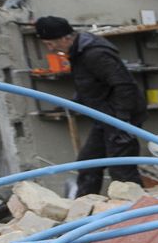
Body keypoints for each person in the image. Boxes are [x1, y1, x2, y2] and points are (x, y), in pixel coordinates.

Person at [35, 16, 146, 196]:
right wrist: (75, 103)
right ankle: (84, 212)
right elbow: (89, 84)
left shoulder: (95, 53)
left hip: (122, 117)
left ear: (65, 38)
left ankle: (140, 214)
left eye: (50, 43)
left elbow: (124, 85)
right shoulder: (77, 52)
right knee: (88, 164)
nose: (50, 49)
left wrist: (123, 121)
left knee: (121, 172)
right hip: (104, 117)